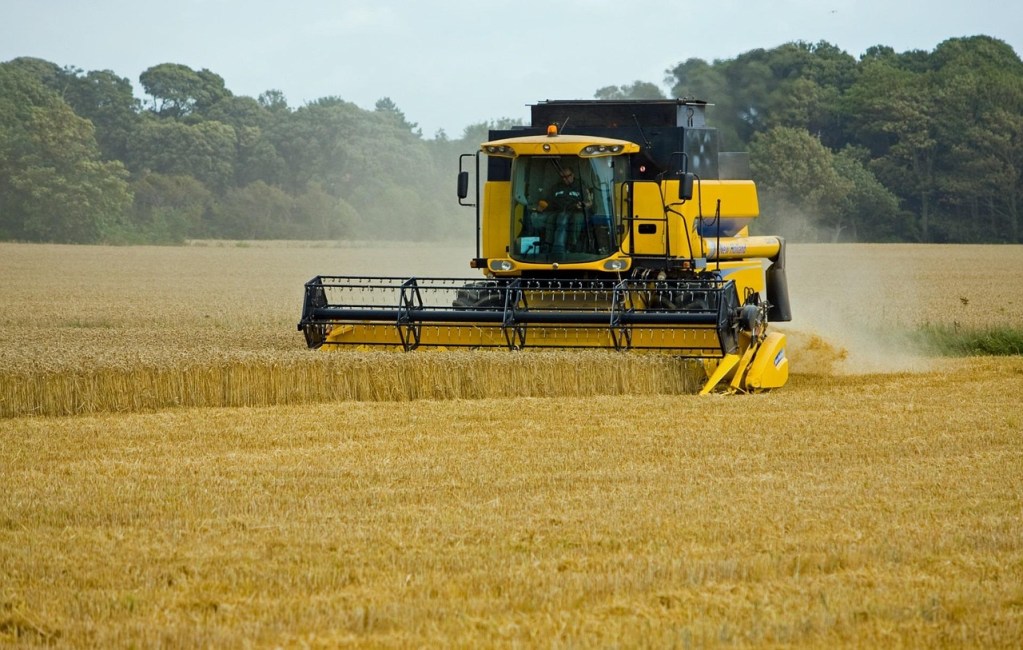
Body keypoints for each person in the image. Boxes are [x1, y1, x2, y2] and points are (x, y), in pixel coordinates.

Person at [536, 166, 592, 254]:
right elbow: (548, 200)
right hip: (559, 211)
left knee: (576, 219)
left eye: (567, 176)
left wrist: (582, 205)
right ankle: (549, 245)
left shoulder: (581, 186)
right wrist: (542, 206)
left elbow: (589, 202)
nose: (565, 179)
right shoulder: (556, 187)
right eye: (563, 177)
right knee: (551, 218)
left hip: (576, 211)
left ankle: (571, 245)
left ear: (573, 175)